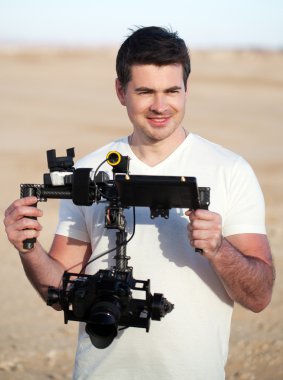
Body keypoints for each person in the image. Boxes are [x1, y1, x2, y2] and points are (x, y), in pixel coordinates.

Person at [4, 26, 274, 380]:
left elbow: (259, 297)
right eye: (145, 91)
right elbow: (61, 295)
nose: (160, 106)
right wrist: (28, 248)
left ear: (187, 89)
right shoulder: (89, 171)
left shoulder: (230, 170)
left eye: (172, 91)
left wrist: (218, 248)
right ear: (121, 91)